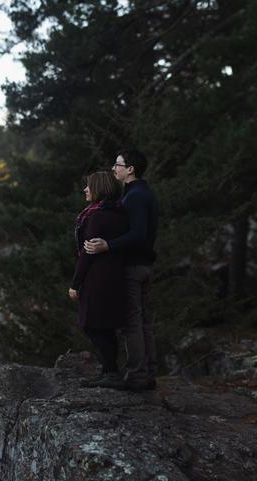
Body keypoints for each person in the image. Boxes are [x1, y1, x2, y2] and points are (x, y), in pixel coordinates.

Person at [84, 149, 159, 392]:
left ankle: (137, 377)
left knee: (131, 324)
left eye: (118, 164)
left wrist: (108, 245)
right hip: (144, 266)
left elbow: (138, 233)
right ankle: (148, 374)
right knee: (143, 322)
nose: (113, 168)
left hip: (134, 267)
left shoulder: (135, 196)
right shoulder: (141, 193)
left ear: (130, 169)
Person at [69, 171, 129, 387]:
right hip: (114, 274)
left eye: (89, 186)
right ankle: (108, 370)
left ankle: (112, 372)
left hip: (97, 276)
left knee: (91, 326)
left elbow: (88, 252)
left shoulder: (98, 215)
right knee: (105, 326)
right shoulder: (119, 212)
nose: (85, 190)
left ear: (100, 188)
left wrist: (75, 283)